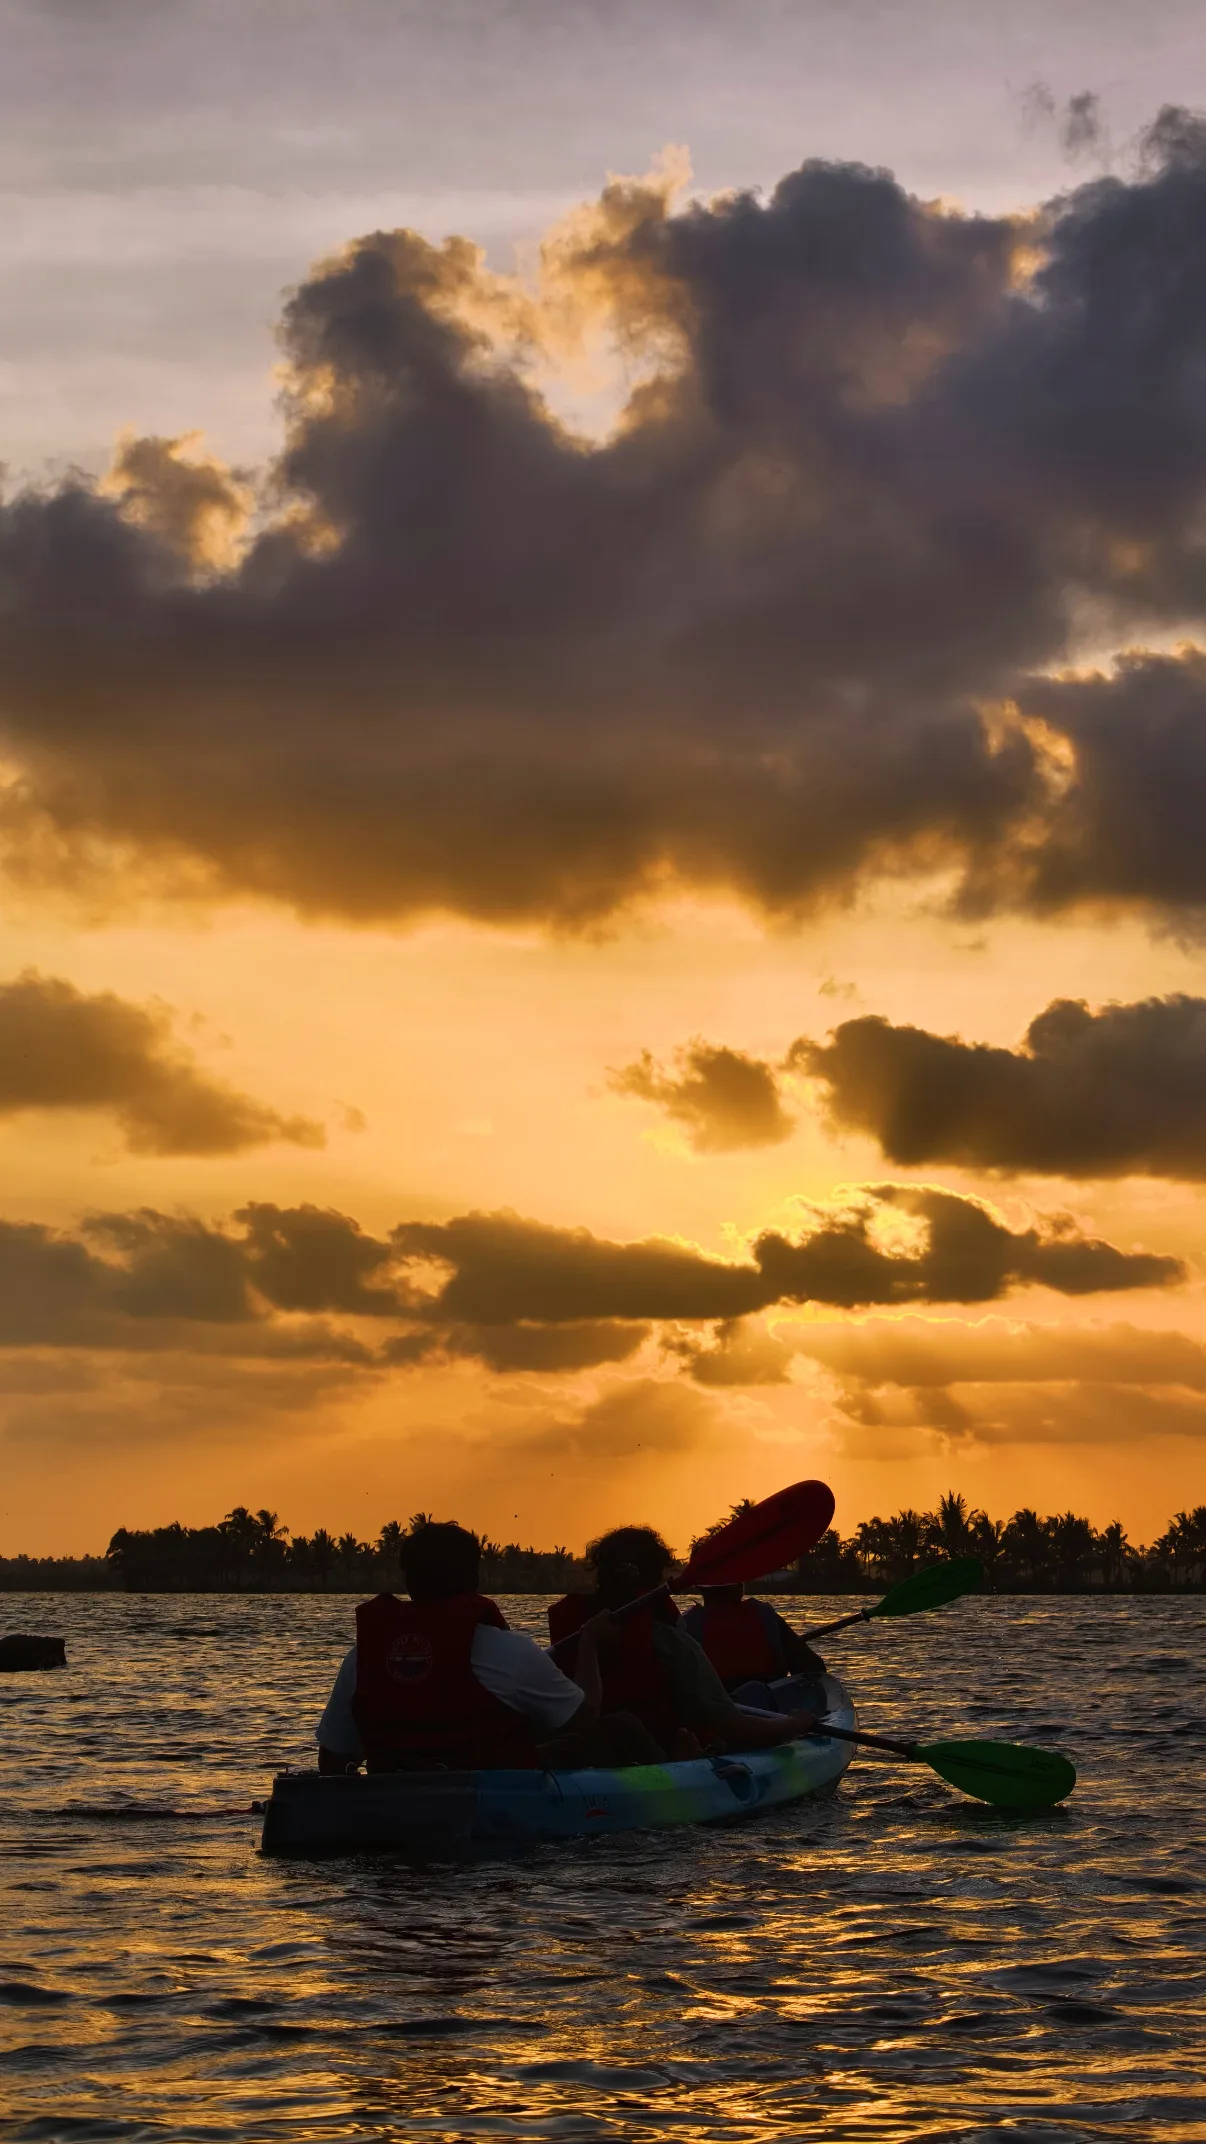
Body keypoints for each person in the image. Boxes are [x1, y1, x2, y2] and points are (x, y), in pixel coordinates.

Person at [315, 1520, 637, 1774]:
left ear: (408, 1582)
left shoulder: (363, 1658)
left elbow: (332, 1760)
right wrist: (590, 1645)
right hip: (490, 1797)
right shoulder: (508, 1651)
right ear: (475, 1578)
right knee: (620, 1728)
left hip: (398, 1796)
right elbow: (583, 1719)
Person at [547, 1525, 820, 1759]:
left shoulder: (573, 1630)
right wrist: (792, 1725)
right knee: (755, 1693)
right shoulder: (669, 1638)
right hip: (660, 1752)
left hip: (602, 1750)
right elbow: (730, 1723)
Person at [681, 1582, 828, 1711]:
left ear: (698, 1586)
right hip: (769, 1716)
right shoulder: (765, 1615)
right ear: (739, 1586)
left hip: (718, 1719)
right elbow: (813, 1668)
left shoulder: (684, 1626)